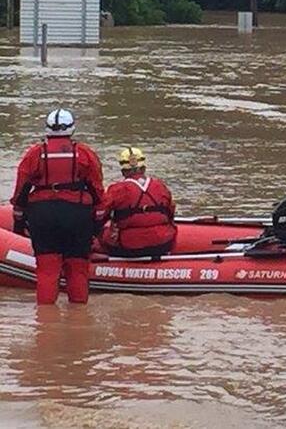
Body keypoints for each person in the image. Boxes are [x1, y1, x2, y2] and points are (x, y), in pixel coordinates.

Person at [9, 109, 105, 305]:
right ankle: (79, 319)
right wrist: (97, 225)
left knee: (46, 270)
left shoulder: (35, 153)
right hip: (77, 214)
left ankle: (45, 322)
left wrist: (19, 221)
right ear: (72, 129)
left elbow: (21, 191)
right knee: (78, 269)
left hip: (43, 214)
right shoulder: (84, 153)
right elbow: (97, 191)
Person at [96, 147, 177, 258]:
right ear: (144, 168)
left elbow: (100, 213)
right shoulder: (160, 186)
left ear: (123, 171)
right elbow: (171, 211)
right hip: (163, 244)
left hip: (129, 247)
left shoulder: (116, 189)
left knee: (101, 234)